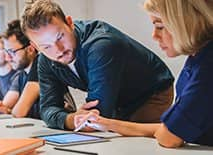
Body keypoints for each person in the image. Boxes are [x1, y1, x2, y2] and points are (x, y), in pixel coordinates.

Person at [75, 0, 213, 148]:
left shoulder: (207, 67)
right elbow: (171, 128)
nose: (154, 35)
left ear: (185, 22)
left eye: (160, 26)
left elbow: (169, 138)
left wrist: (167, 131)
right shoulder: (197, 57)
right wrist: (105, 123)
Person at [21, 0, 174, 130]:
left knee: (138, 145)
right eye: (46, 47)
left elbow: (97, 117)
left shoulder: (101, 45)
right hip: (116, 100)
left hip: (151, 94)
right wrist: (72, 119)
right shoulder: (45, 60)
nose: (58, 50)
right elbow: (47, 109)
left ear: (69, 23)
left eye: (60, 37)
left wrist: (78, 119)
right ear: (35, 46)